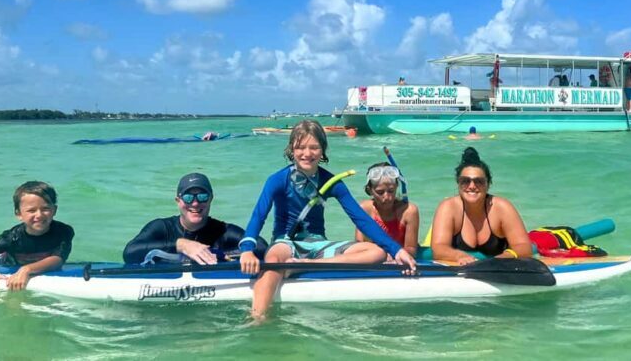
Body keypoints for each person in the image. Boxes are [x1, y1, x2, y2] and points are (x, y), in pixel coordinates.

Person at [238, 119, 416, 321]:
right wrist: (247, 251)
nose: (307, 153)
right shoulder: (277, 180)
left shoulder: (332, 182)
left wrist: (395, 249)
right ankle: (257, 318)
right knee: (274, 260)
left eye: (314, 147)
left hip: (318, 244)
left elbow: (360, 219)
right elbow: (258, 216)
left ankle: (304, 265)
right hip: (286, 243)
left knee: (376, 252)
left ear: (323, 150)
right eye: (300, 147)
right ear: (291, 149)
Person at [123, 173, 266, 265]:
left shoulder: (223, 231)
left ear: (211, 199)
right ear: (178, 200)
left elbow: (262, 247)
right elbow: (129, 253)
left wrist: (221, 255)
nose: (195, 203)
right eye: (188, 197)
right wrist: (181, 245)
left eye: (202, 196)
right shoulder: (161, 227)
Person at [0, 181, 74, 292]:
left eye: (45, 209)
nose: (39, 215)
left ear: (54, 210)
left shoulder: (64, 231)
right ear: (19, 214)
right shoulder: (10, 238)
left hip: (28, 268)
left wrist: (26, 270)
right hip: (5, 264)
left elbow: (57, 260)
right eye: (31, 210)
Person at [430, 148, 532, 265]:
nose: (472, 186)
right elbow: (438, 248)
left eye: (479, 181)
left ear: (488, 184)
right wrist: (460, 256)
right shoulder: (448, 208)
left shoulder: (501, 207)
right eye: (465, 181)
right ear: (458, 183)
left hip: (497, 266)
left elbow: (524, 247)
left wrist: (500, 259)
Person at [355, 163, 419, 257]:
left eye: (391, 191)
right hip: (373, 258)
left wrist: (394, 256)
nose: (387, 197)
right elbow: (359, 245)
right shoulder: (364, 209)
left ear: (397, 186)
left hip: (400, 259)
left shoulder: (408, 211)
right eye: (380, 192)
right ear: (370, 190)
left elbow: (411, 249)